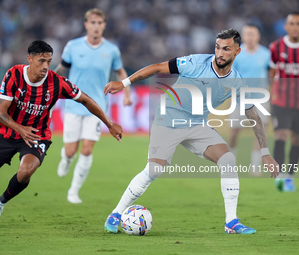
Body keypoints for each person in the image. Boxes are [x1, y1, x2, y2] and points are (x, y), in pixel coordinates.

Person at [103, 29, 279, 235]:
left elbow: (253, 116)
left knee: (228, 160)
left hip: (197, 123)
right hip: (169, 118)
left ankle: (231, 222)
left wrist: (266, 153)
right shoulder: (196, 63)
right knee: (154, 171)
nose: (220, 53)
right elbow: (157, 68)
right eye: (217, 48)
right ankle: (115, 214)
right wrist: (123, 84)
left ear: (237, 52)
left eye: (226, 49)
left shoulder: (237, 81)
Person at [0, 40, 122, 226]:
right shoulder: (14, 75)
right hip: (9, 133)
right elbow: (0, 113)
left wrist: (109, 123)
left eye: (49, 61)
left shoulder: (57, 82)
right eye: (41, 60)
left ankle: (0, 203)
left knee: (26, 171)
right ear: (30, 59)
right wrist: (21, 129)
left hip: (37, 135)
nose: (46, 66)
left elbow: (86, 100)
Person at [55, 8, 132, 204]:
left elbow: (120, 72)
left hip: (97, 108)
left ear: (104, 25)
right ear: (86, 24)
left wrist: (127, 94)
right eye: (93, 22)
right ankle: (66, 158)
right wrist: (49, 84)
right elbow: (61, 68)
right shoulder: (73, 46)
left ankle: (73, 191)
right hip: (74, 104)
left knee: (87, 149)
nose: (96, 26)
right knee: (71, 150)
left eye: (100, 23)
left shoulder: (111, 50)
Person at [228, 24, 270, 176]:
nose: (250, 37)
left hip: (260, 99)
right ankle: (230, 164)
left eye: (253, 34)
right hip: (239, 99)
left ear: (258, 36)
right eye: (247, 34)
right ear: (243, 37)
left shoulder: (266, 54)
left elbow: (272, 72)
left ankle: (255, 167)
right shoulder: (236, 54)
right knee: (234, 132)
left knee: (259, 133)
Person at [271, 12, 299, 192]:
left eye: (298, 24)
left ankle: (290, 176)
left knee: (297, 140)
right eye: (292, 23)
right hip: (281, 101)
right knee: (280, 136)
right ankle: (280, 176)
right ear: (286, 26)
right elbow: (272, 73)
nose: (295, 27)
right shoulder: (276, 47)